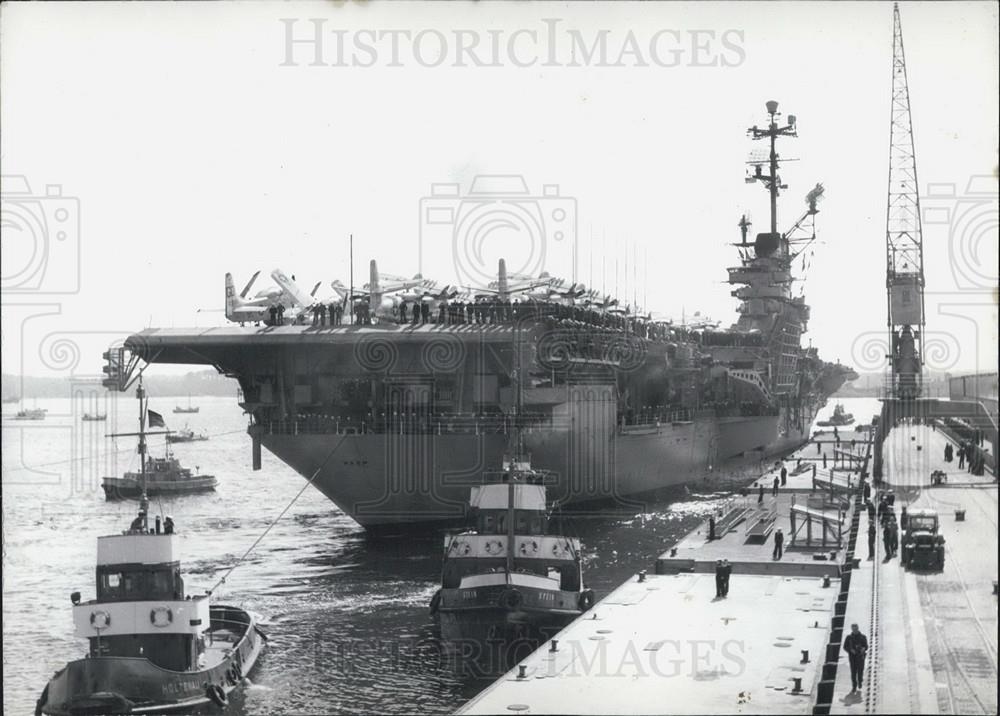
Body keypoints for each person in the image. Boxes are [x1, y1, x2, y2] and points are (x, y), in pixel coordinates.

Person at [843, 624, 868, 692]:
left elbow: (866, 646)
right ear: (852, 629)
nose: (855, 630)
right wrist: (850, 650)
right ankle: (854, 686)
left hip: (860, 657)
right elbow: (845, 647)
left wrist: (863, 649)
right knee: (853, 672)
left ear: (858, 628)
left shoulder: (863, 637)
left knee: (860, 671)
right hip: (852, 657)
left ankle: (860, 682)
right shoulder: (849, 638)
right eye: (853, 629)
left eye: (856, 629)